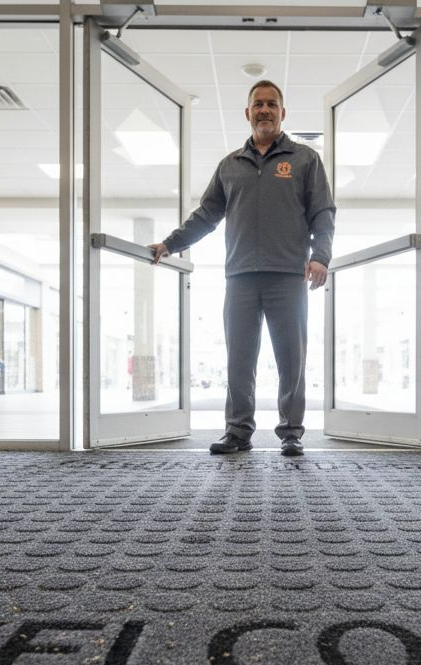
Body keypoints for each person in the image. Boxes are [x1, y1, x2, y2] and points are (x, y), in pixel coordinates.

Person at [149, 80, 334, 457]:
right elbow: (206, 215)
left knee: (291, 359)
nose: (265, 110)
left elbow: (322, 212)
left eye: (272, 104)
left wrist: (321, 256)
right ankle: (237, 431)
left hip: (288, 276)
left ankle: (291, 432)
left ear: (282, 112)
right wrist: (170, 244)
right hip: (241, 277)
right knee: (239, 359)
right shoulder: (230, 165)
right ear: (248, 113)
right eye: (258, 104)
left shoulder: (305, 160)